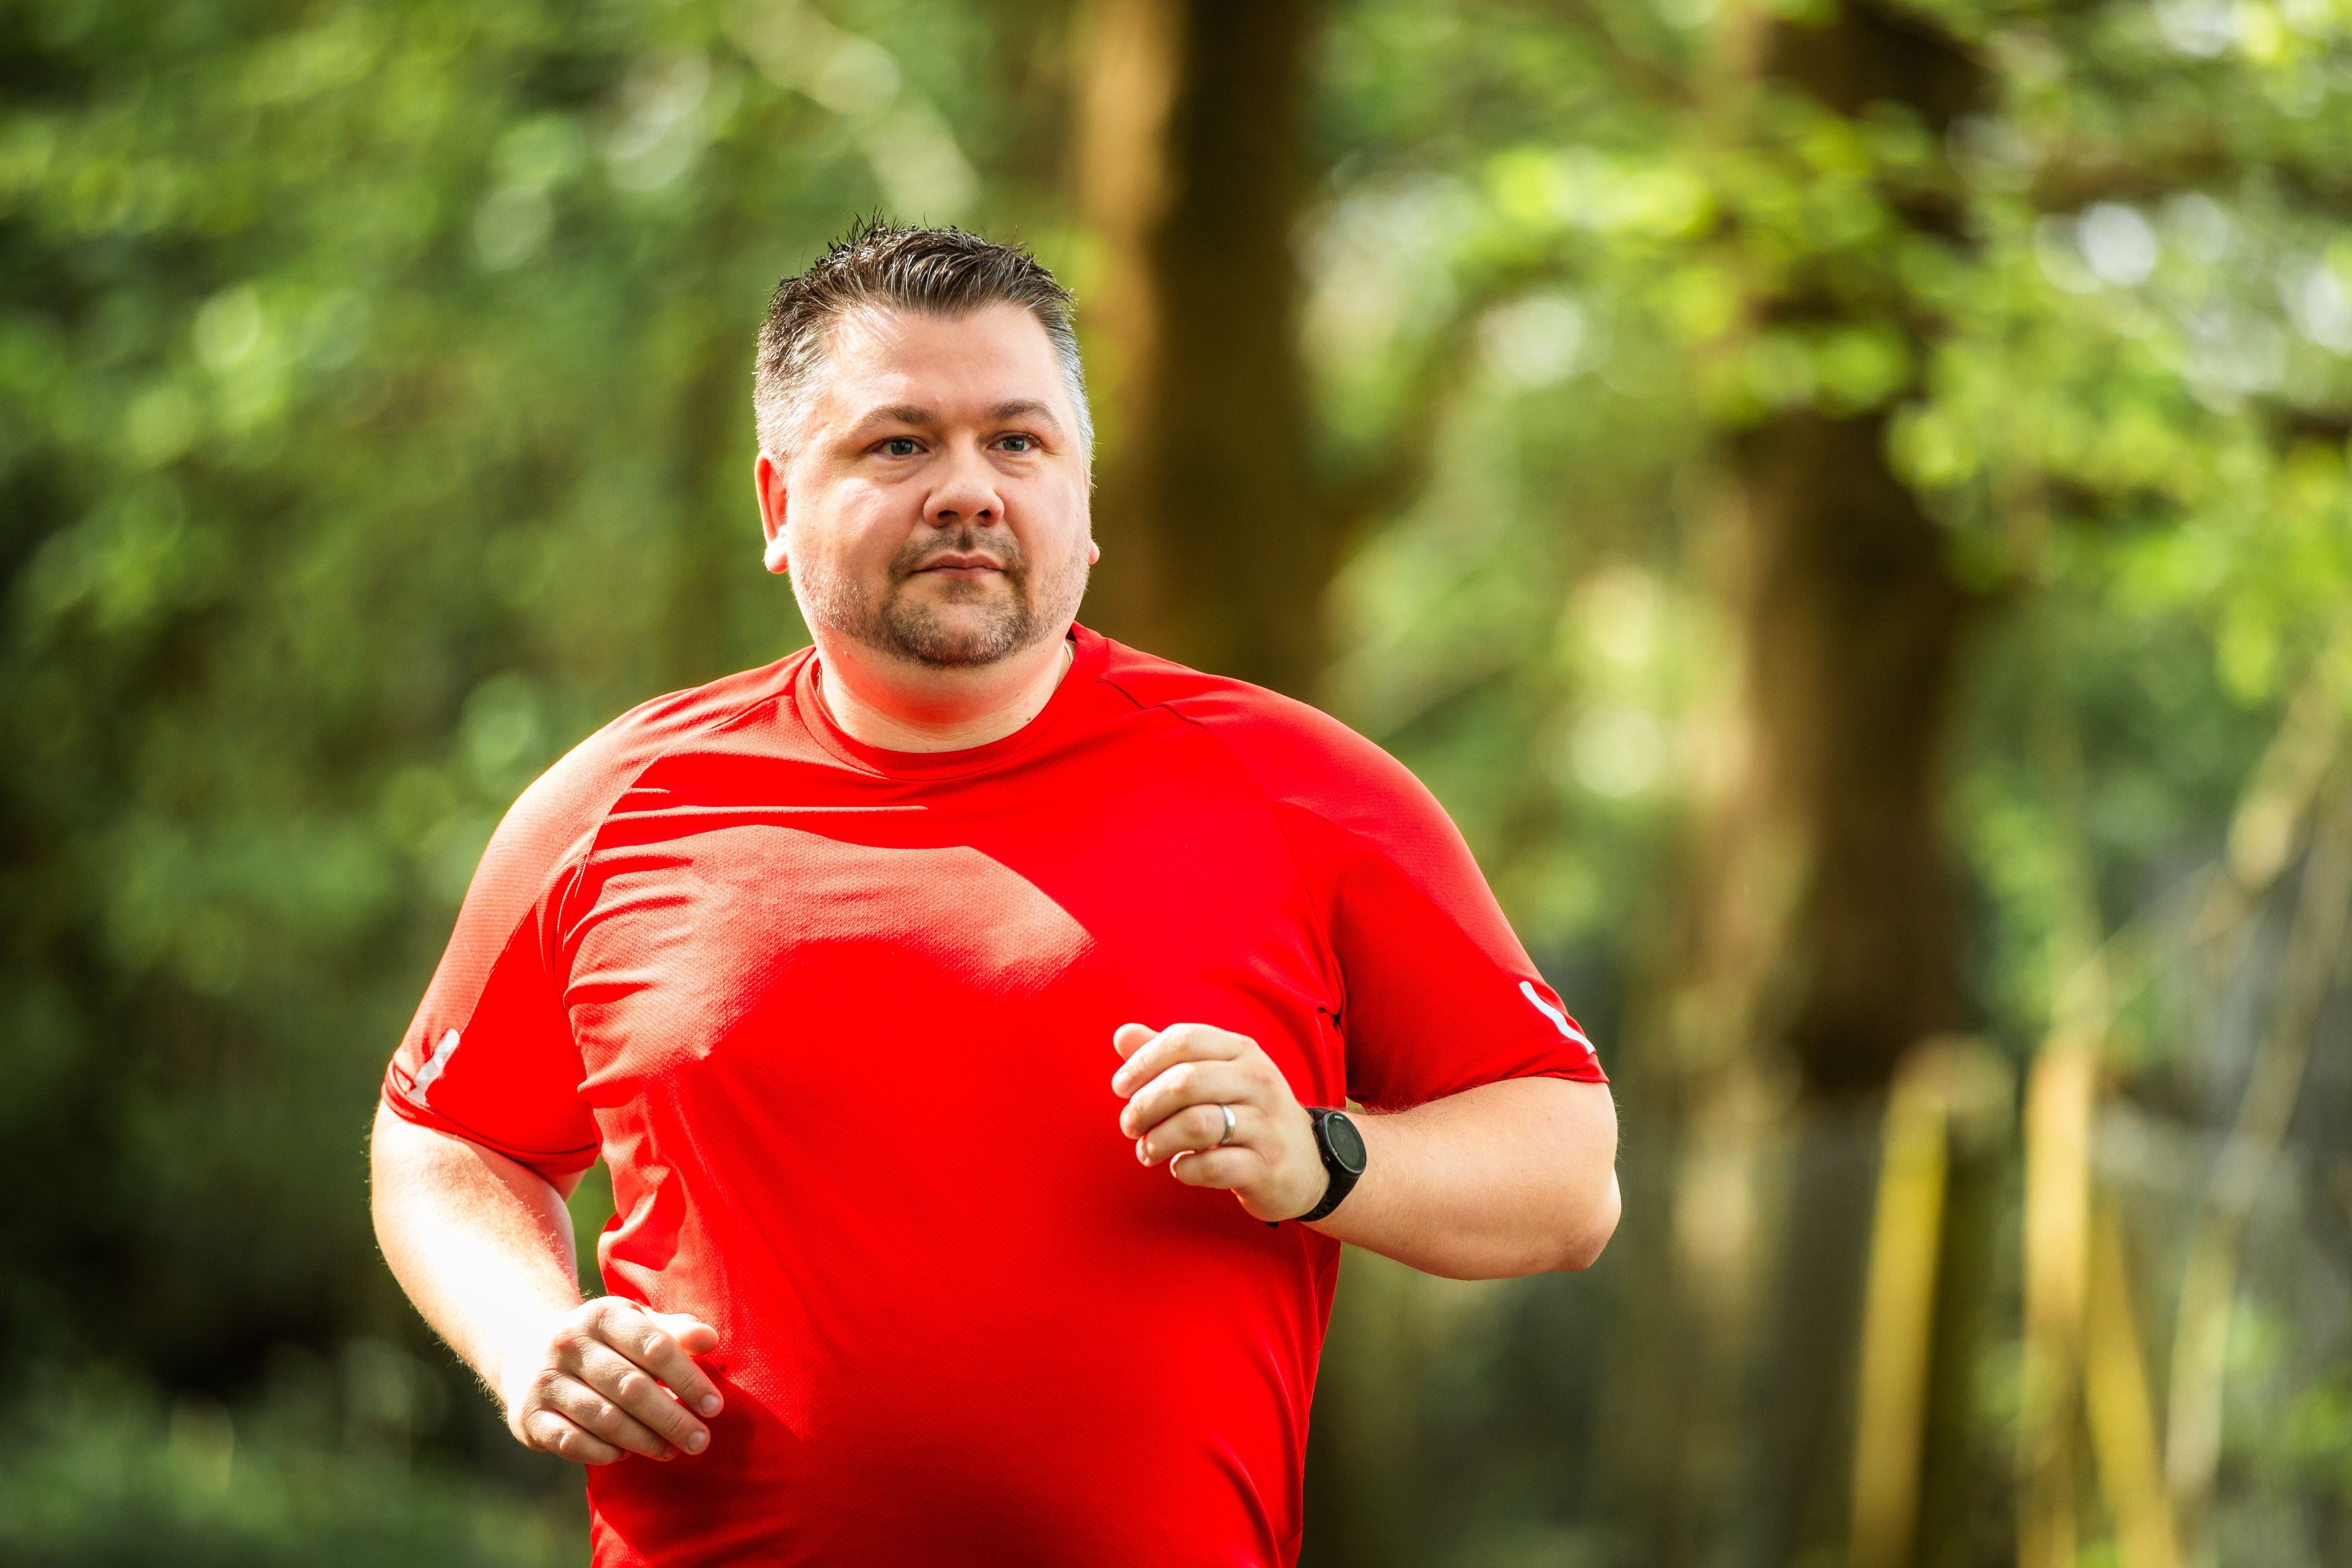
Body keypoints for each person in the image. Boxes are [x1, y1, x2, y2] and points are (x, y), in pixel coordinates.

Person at [370, 220, 1619, 1568]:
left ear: (1085, 512)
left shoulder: (1305, 795)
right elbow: (444, 1137)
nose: (968, 490)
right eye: (900, 444)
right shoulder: (612, 805)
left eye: (1018, 444)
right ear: (779, 506)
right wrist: (527, 1336)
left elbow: (1569, 1175)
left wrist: (1324, 1160)